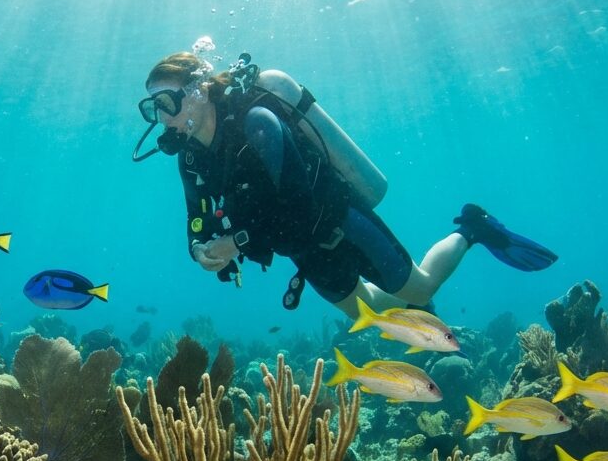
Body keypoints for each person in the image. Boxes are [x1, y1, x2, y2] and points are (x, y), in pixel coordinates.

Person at [131, 50, 557, 317]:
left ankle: (472, 228)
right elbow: (197, 218)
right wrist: (201, 249)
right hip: (301, 249)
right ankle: (420, 313)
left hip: (339, 222)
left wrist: (237, 243)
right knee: (371, 315)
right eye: (153, 110)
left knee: (422, 286)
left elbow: (296, 203)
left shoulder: (256, 123)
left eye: (167, 102)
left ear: (201, 89)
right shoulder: (190, 158)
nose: (162, 118)